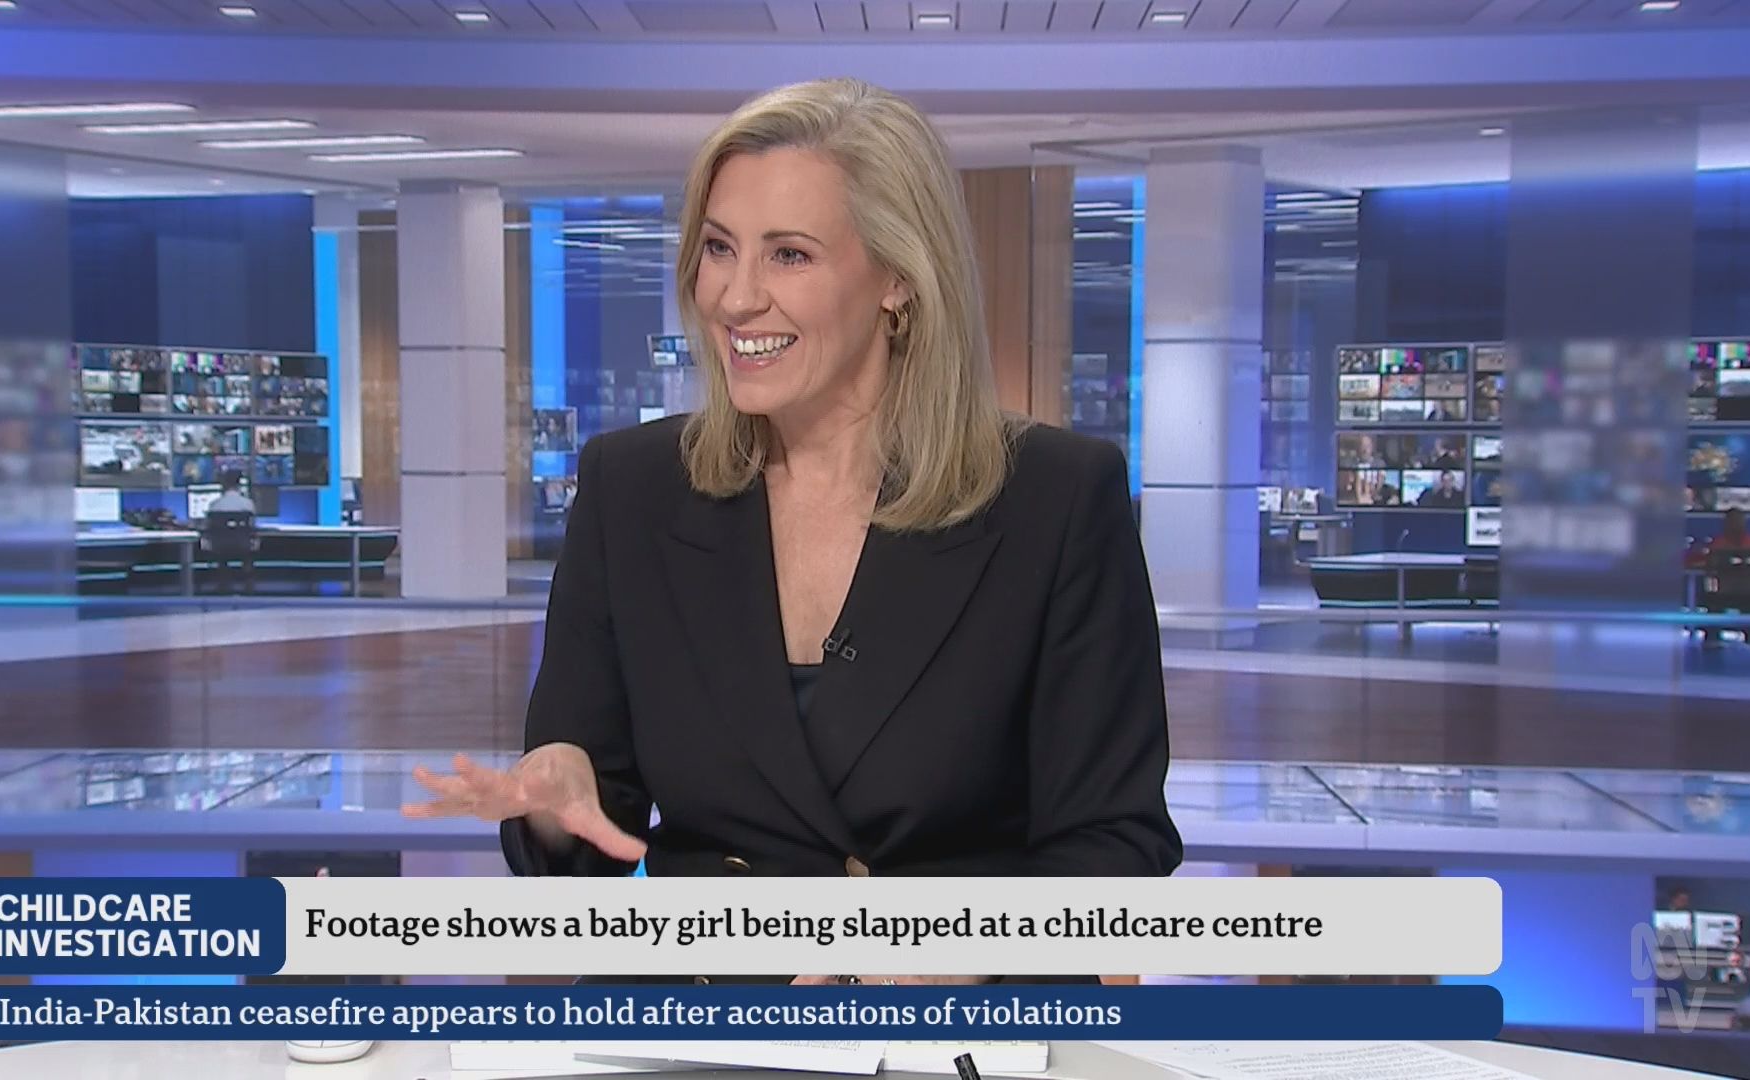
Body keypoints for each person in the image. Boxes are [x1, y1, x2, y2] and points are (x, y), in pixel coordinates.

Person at [403, 78, 1181, 986]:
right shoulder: (632, 489)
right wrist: (554, 804)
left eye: (790, 255)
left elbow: (1112, 841)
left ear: (898, 277)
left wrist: (962, 955)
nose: (735, 299)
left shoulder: (1054, 499)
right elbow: (588, 827)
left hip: (945, 1024)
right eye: (718, 248)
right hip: (701, 1020)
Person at [1702, 508, 1750, 647]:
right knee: (1713, 605)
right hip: (1724, 591)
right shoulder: (1718, 544)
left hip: (1749, 591)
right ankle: (1712, 640)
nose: (1735, 525)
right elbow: (1710, 566)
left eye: (1738, 521)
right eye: (1731, 522)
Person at [203, 469, 258, 594]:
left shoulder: (214, 505)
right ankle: (249, 586)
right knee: (248, 551)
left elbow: (208, 528)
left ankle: (223, 584)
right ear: (239, 484)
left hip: (219, 547)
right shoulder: (248, 504)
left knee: (221, 551)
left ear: (223, 485)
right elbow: (252, 527)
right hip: (243, 546)